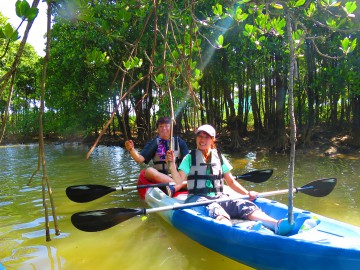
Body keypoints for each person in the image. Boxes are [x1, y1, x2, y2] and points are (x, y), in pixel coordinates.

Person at [166, 124, 294, 235]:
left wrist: (247, 194)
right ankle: (233, 232)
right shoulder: (189, 158)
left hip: (219, 196)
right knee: (215, 209)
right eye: (200, 136)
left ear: (212, 139)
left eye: (206, 137)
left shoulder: (219, 157)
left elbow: (231, 181)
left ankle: (275, 224)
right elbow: (178, 181)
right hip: (197, 199)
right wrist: (172, 165)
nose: (202, 140)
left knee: (242, 205)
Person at [125, 116, 189, 196]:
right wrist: (131, 150)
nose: (164, 129)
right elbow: (139, 159)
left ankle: (176, 185)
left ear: (171, 128)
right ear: (158, 130)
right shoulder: (154, 143)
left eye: (166, 126)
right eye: (161, 127)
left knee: (190, 173)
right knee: (148, 171)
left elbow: (187, 161)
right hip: (161, 177)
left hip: (177, 176)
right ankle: (179, 185)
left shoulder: (180, 142)